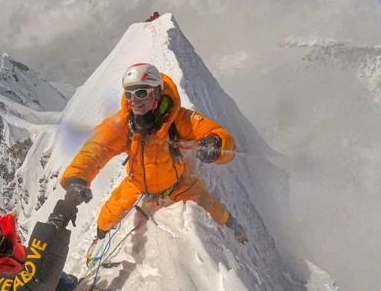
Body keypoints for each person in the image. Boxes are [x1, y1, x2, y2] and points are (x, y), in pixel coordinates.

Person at [60, 62, 247, 242]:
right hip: (137, 183)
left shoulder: (177, 118)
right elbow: (97, 148)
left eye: (141, 93)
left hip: (178, 184)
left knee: (213, 207)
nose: (134, 101)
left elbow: (218, 135)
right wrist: (77, 178)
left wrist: (215, 143)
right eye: (129, 94)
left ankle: (234, 228)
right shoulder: (124, 124)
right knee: (107, 215)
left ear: (156, 93)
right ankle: (99, 238)